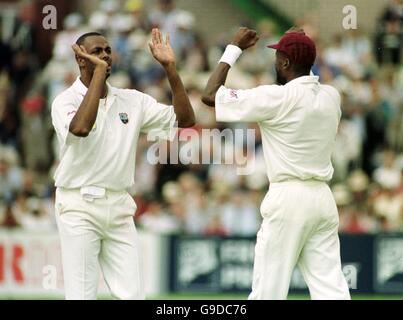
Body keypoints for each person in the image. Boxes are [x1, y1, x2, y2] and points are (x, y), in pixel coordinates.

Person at [202, 27, 351, 300]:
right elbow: (309, 78)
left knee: (267, 291)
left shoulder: (276, 97)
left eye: (278, 57)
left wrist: (233, 47)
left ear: (284, 63)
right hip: (323, 199)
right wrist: (302, 44)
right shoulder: (332, 97)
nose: (274, 62)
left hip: (289, 198)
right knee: (332, 289)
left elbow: (210, 95)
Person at [51, 28, 195, 300]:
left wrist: (171, 69)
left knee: (132, 296)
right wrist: (96, 77)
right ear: (80, 59)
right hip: (78, 205)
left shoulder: (132, 100)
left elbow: (185, 120)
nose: (105, 55)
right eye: (96, 52)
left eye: (107, 50)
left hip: (119, 205)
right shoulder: (64, 101)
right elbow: (80, 127)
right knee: (81, 295)